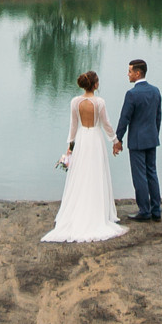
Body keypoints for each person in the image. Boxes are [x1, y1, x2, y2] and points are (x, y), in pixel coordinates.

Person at [40, 69, 126, 243]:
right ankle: (96, 210)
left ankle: (78, 208)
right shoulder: (99, 102)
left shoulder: (75, 102)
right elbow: (106, 124)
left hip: (82, 139)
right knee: (95, 173)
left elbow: (73, 126)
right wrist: (115, 141)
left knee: (80, 174)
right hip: (95, 139)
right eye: (98, 82)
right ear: (94, 85)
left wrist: (70, 147)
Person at [114, 58, 162, 221]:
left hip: (137, 141)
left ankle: (145, 211)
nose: (128, 74)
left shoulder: (132, 94)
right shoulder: (155, 91)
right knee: (152, 173)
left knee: (140, 176)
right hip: (151, 138)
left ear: (138, 73)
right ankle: (156, 210)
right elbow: (158, 117)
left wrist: (118, 139)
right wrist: (155, 134)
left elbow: (124, 118)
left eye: (129, 71)